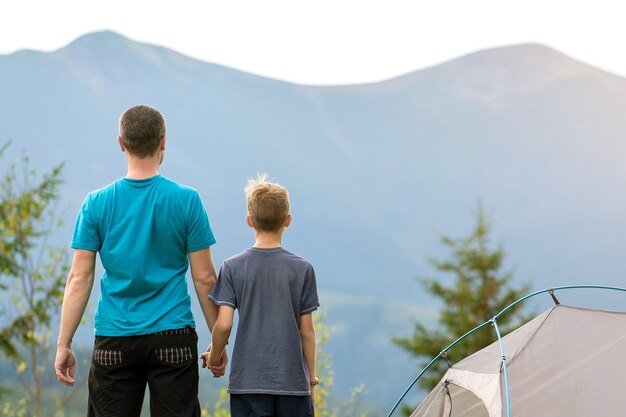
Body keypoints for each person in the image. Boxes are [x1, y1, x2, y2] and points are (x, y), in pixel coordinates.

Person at [54, 104, 227, 416]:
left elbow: (79, 279)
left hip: (114, 336)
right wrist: (218, 342)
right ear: (163, 141)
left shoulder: (95, 203)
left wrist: (63, 344)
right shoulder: (187, 200)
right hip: (173, 335)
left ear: (121, 143)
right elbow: (205, 279)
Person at [201, 174, 319, 417]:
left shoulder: (232, 267)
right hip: (293, 386)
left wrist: (214, 357)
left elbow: (223, 324)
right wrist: (311, 381)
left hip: (248, 383)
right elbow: (306, 331)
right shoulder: (302, 269)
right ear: (287, 220)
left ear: (248, 220)